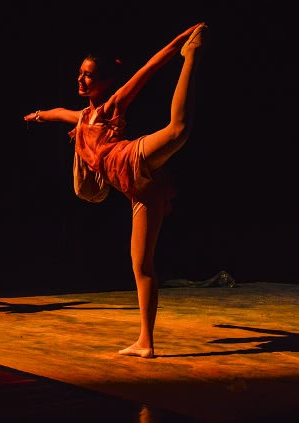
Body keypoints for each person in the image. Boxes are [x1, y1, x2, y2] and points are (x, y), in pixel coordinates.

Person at [23, 23, 208, 358]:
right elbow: (58, 114)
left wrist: (182, 40)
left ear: (106, 82)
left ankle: (193, 53)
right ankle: (146, 343)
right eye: (79, 73)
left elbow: (148, 69)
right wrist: (37, 116)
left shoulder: (110, 109)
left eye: (88, 76)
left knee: (177, 131)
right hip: (138, 192)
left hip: (131, 159)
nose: (80, 80)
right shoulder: (83, 116)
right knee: (142, 265)